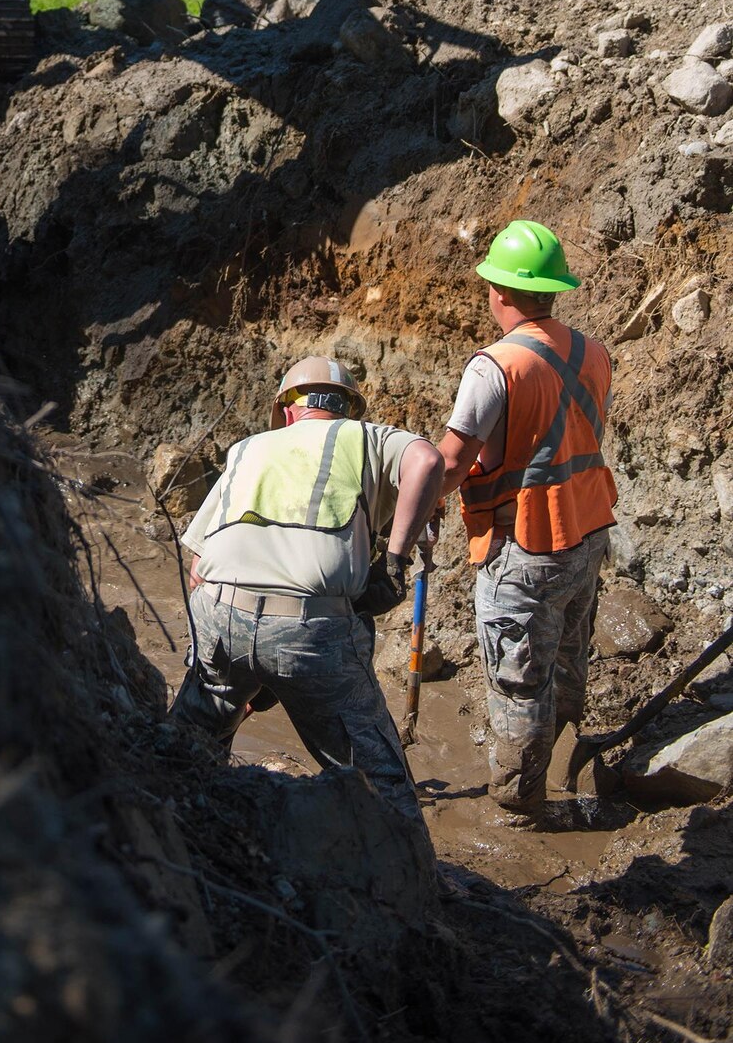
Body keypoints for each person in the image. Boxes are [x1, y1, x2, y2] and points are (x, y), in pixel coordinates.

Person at [172, 357, 445, 823]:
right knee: (378, 786)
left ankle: (186, 839)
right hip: (311, 629)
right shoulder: (365, 438)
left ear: (286, 409)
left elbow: (198, 566)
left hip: (217, 613)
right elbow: (428, 460)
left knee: (187, 752)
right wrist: (395, 559)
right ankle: (415, 884)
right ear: (349, 409)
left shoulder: (247, 448)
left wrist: (251, 653)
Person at [437, 220, 616, 822]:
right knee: (567, 658)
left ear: (500, 291)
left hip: (528, 544)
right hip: (588, 533)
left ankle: (520, 806)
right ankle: (564, 766)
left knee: (519, 682)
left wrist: (416, 505)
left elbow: (455, 461)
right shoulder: (594, 352)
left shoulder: (494, 367)